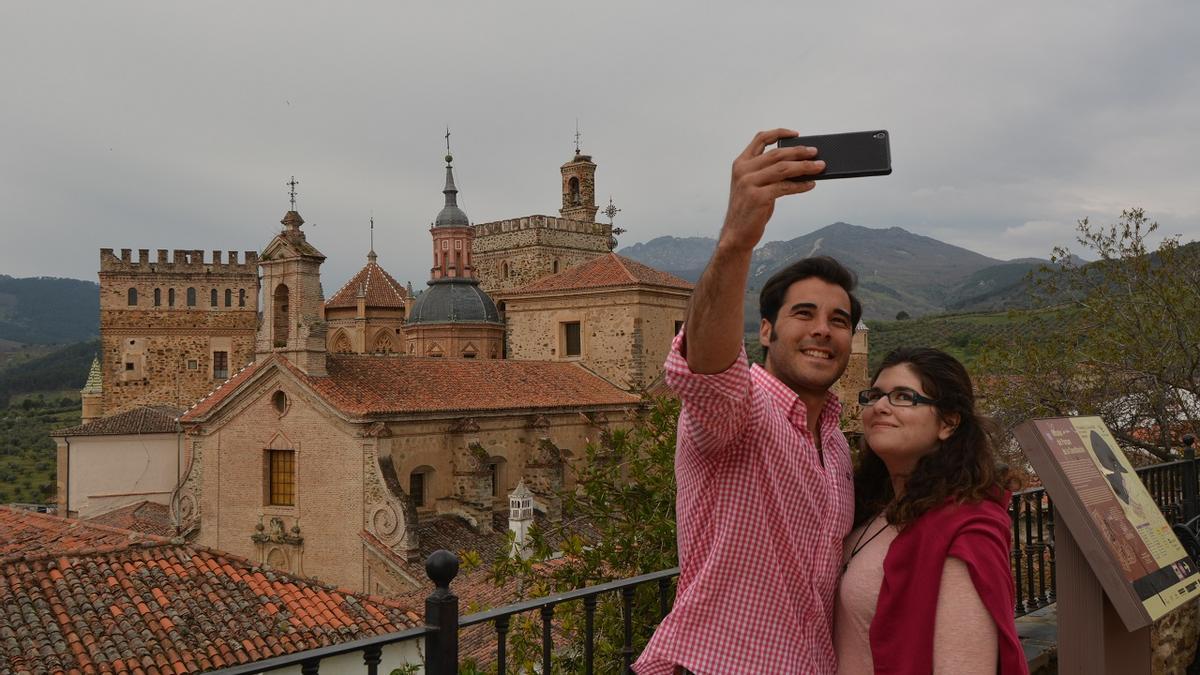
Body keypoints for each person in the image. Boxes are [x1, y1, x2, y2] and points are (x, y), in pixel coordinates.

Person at [634, 129, 861, 674]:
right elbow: (707, 368)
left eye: (839, 320)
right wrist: (737, 240)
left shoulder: (834, 441)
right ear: (765, 330)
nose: (822, 331)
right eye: (803, 314)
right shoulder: (741, 408)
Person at [834, 347, 1027, 674]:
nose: (880, 407)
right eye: (875, 395)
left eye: (904, 397)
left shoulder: (963, 531)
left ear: (948, 422)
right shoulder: (872, 505)